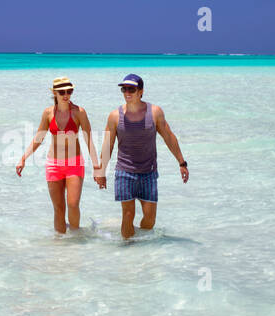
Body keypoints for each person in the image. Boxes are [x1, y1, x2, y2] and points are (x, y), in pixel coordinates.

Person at [94, 73, 189, 238]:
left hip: (148, 172)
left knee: (150, 219)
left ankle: (141, 245)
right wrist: (101, 171)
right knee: (128, 214)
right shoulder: (115, 116)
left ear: (141, 91)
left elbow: (168, 137)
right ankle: (128, 249)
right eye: (124, 89)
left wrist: (182, 162)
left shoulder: (155, 112)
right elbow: (107, 144)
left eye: (131, 89)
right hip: (124, 171)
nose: (127, 92)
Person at [15, 76, 101, 234]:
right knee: (58, 208)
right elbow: (38, 138)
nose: (66, 94)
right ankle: (60, 244)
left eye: (69, 91)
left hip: (74, 163)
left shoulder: (79, 112)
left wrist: (97, 168)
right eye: (61, 92)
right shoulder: (48, 113)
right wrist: (23, 158)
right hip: (53, 165)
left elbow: (89, 141)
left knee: (73, 204)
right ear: (54, 93)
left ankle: (76, 236)